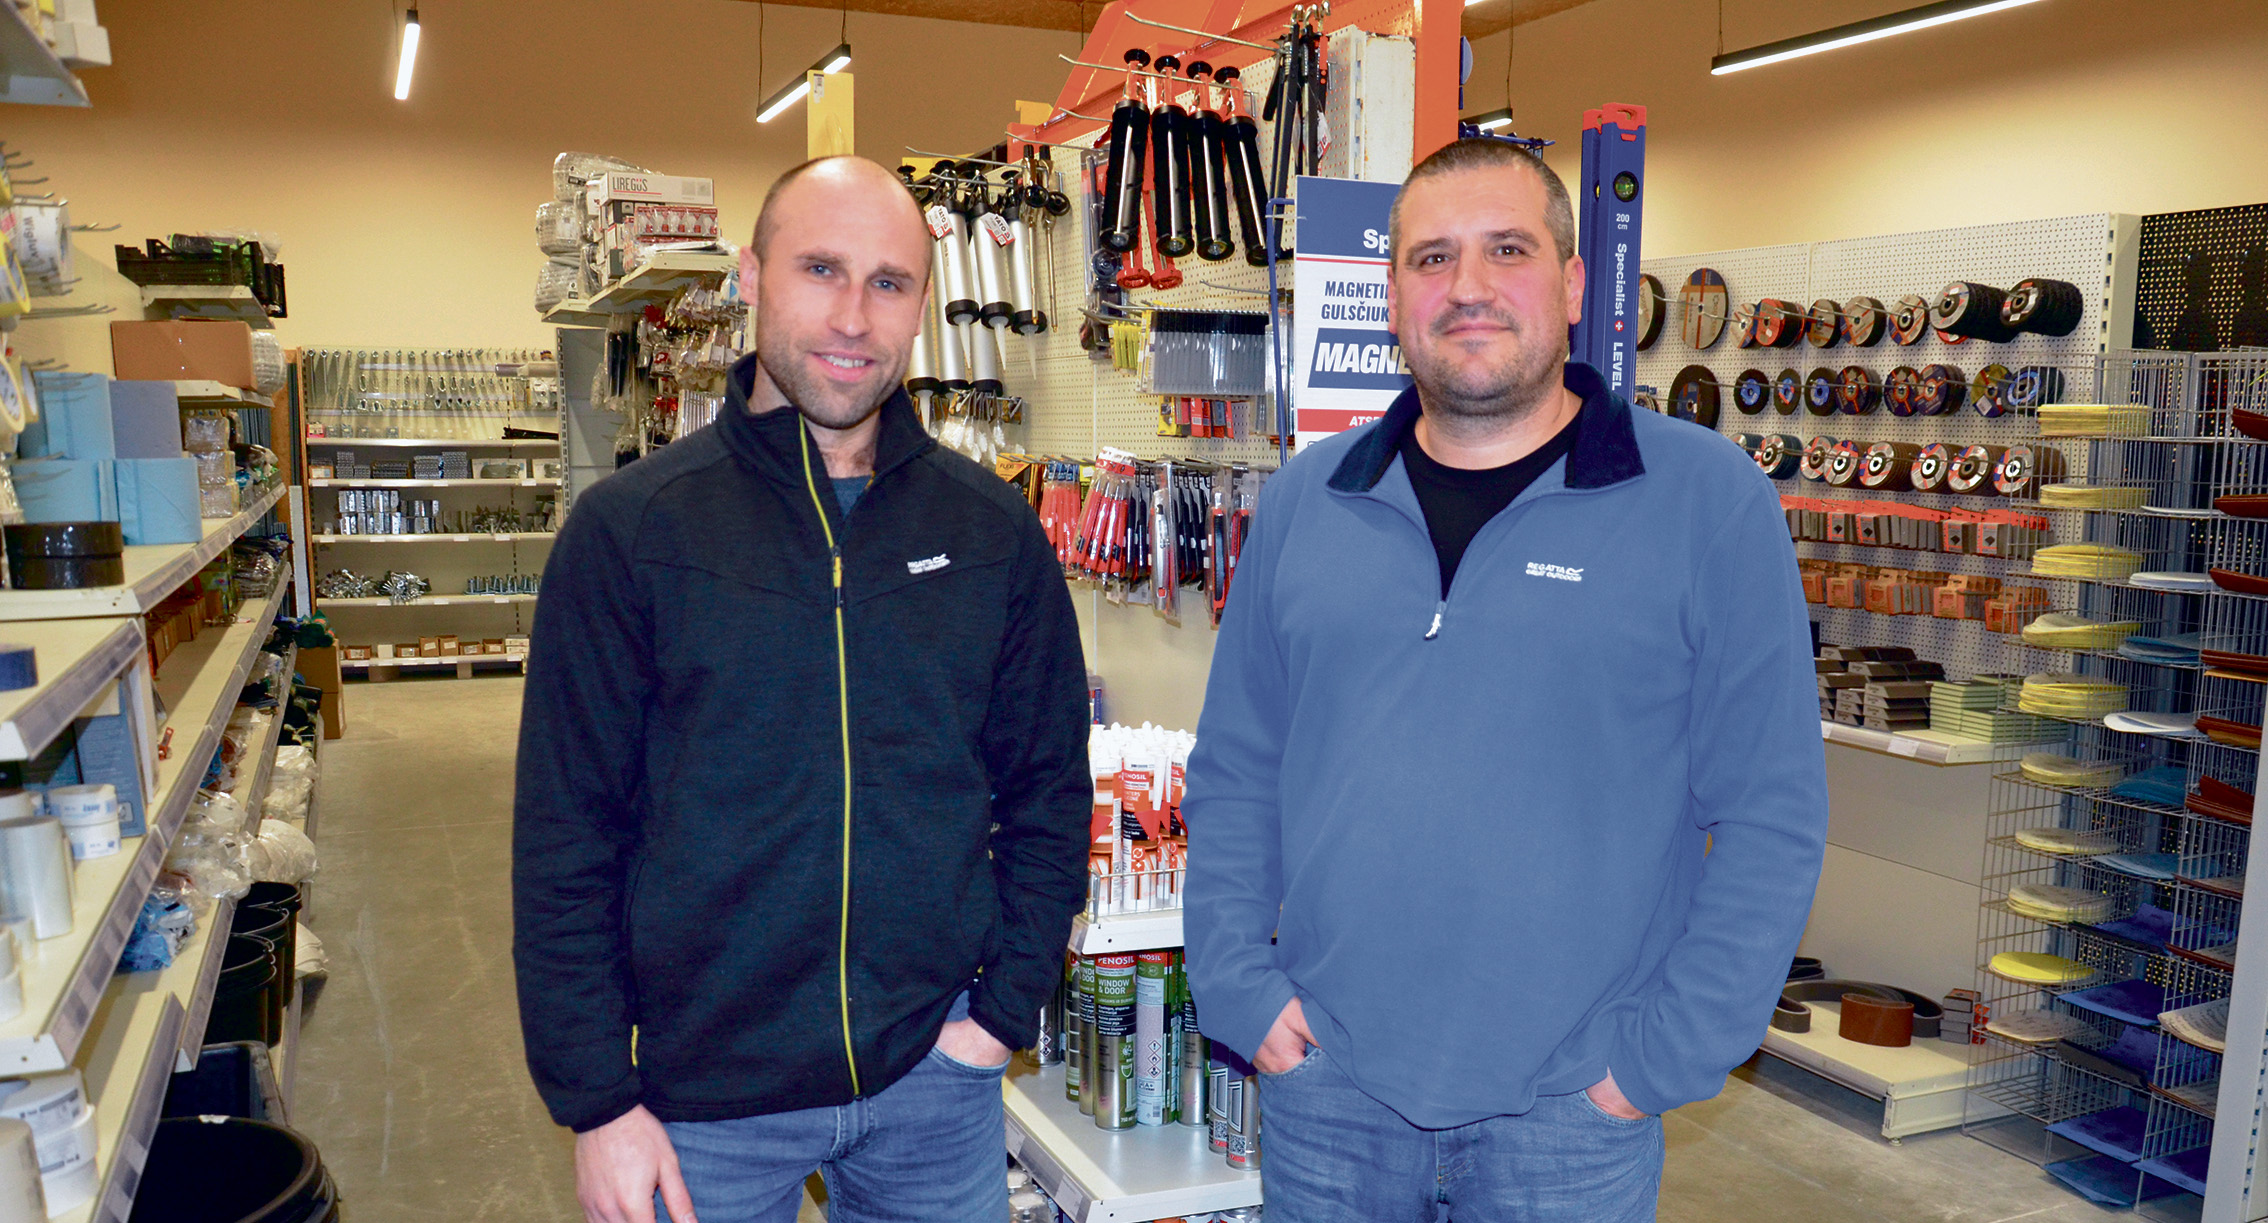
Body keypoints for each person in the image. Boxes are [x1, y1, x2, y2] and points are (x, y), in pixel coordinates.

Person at [1184, 137, 1829, 1221]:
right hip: (1328, 1090)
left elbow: (1772, 811)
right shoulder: (1306, 501)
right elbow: (1237, 767)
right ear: (1393, 297)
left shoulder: (1707, 502)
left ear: (1573, 285)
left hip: (1572, 1117)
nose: (1468, 287)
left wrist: (1660, 1058)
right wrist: (1239, 986)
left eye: (1508, 250)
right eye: (1432, 258)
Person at [512, 155, 1093, 1223]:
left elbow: (1049, 788)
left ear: (923, 299)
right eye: (821, 269)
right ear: (751, 277)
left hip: (933, 1086)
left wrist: (999, 1016)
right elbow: (566, 836)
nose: (854, 316)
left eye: (889, 281)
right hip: (699, 1108)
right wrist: (599, 1100)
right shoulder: (634, 531)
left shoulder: (989, 532)